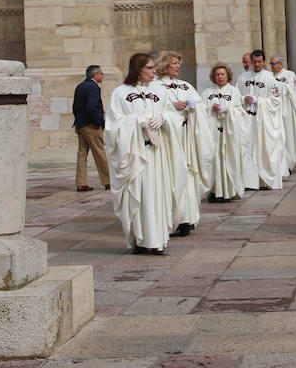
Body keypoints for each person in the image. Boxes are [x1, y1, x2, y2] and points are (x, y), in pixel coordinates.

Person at [105, 53, 186, 255]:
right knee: (141, 196)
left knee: (158, 195)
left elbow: (174, 116)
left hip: (157, 153)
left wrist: (164, 117)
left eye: (153, 68)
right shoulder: (121, 93)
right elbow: (112, 126)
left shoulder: (160, 90)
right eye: (149, 68)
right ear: (137, 70)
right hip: (136, 155)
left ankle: (158, 240)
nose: (153, 71)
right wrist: (136, 122)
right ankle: (142, 240)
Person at [157, 51, 211, 237]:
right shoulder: (157, 86)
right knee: (173, 176)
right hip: (170, 140)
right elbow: (155, 110)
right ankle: (173, 218)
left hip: (186, 138)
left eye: (179, 63)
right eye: (174, 63)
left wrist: (193, 106)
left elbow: (200, 104)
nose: (178, 66)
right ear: (164, 65)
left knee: (188, 176)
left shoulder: (186, 85)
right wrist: (173, 106)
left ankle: (187, 218)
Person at [238, 49, 286, 190]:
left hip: (263, 120)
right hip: (247, 119)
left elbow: (276, 100)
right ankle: (249, 181)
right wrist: (243, 98)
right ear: (251, 62)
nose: (257, 64)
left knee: (262, 149)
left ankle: (264, 180)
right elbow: (236, 95)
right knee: (247, 148)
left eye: (260, 61)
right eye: (255, 61)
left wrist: (259, 101)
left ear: (264, 62)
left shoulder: (270, 78)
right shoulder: (243, 77)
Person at [201, 62, 246, 201]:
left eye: (222, 74)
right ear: (213, 77)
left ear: (228, 76)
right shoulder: (207, 92)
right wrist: (210, 109)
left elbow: (240, 111)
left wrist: (228, 109)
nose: (220, 77)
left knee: (227, 161)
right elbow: (201, 110)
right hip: (212, 132)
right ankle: (214, 191)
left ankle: (228, 192)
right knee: (213, 161)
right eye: (217, 75)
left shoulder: (234, 91)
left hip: (228, 132)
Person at [72, 65, 111, 192]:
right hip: (91, 125)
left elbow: (75, 106)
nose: (102, 75)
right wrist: (100, 122)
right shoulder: (93, 87)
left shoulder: (81, 86)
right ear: (96, 75)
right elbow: (92, 107)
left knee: (82, 153)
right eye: (101, 73)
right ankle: (109, 181)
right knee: (100, 152)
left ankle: (81, 182)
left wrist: (78, 121)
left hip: (81, 124)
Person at [270, 54, 296, 175]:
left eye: (273, 64)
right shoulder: (269, 75)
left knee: (288, 137)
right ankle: (278, 165)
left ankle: (288, 163)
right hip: (274, 110)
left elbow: (292, 89)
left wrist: (277, 85)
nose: (272, 66)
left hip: (286, 110)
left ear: (280, 64)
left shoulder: (289, 74)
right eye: (271, 64)